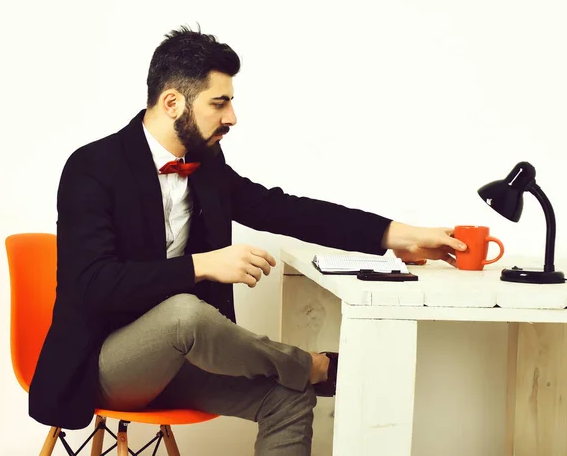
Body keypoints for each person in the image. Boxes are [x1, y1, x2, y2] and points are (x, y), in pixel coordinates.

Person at [28, 26, 468, 455]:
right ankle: (310, 364)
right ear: (172, 102)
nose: (232, 117)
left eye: (231, 102)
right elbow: (91, 284)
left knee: (290, 396)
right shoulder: (92, 167)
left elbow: (284, 209)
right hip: (101, 366)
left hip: (179, 362)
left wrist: (397, 235)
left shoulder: (206, 165)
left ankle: (303, 375)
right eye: (219, 103)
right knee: (185, 312)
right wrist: (202, 265)